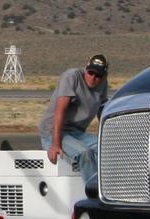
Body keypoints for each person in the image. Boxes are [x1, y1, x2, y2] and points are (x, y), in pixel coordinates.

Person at [43, 53, 110, 183]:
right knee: (84, 153)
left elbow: (102, 109)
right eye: (90, 73)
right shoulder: (72, 77)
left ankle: (113, 187)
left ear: (104, 76)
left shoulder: (102, 84)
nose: (93, 78)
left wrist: (108, 134)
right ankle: (94, 194)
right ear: (86, 68)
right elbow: (60, 110)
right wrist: (55, 145)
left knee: (109, 147)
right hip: (54, 132)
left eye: (98, 76)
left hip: (77, 133)